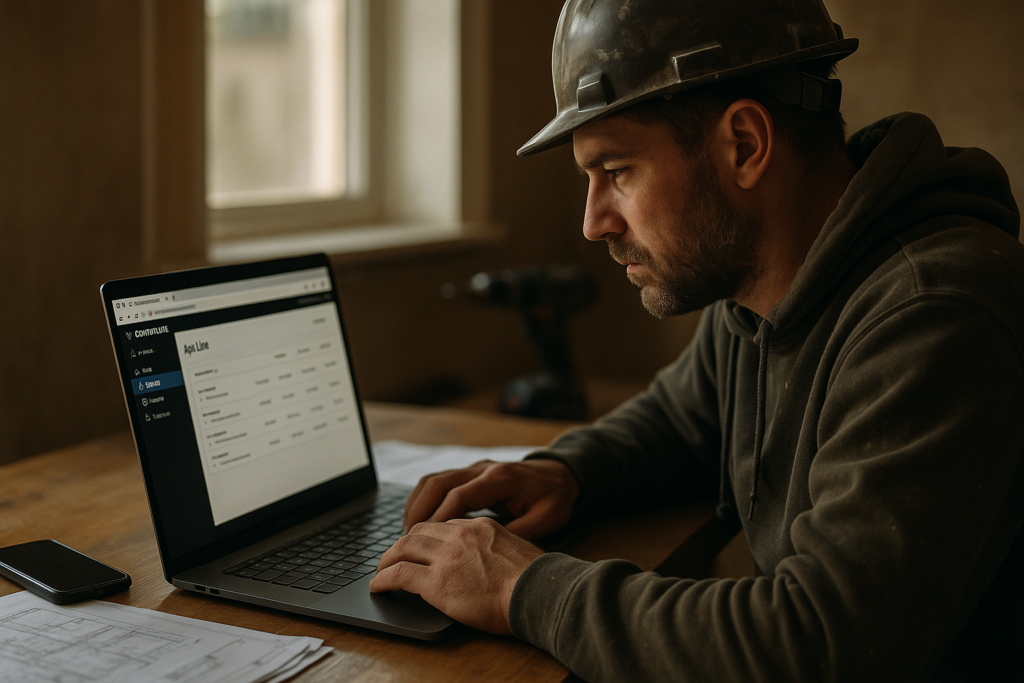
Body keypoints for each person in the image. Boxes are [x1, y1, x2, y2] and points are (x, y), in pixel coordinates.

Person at [369, 0, 1024, 680]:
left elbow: (818, 644)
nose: (594, 222)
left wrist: (519, 586)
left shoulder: (935, 313)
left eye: (617, 172)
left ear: (743, 144)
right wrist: (567, 471)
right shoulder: (764, 287)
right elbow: (683, 420)